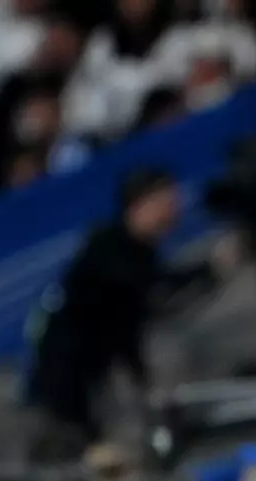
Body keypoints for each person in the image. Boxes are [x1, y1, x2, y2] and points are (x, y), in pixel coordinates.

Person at [23, 168, 203, 460]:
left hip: (96, 379)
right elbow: (146, 289)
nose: (173, 210)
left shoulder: (143, 254)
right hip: (65, 382)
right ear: (141, 205)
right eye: (165, 202)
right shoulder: (107, 248)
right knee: (71, 451)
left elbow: (129, 325)